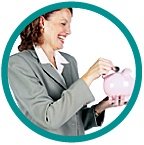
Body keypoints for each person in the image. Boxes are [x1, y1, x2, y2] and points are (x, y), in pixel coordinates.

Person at [8, 8, 126, 136]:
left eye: (69, 25)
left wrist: (102, 106)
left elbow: (74, 121)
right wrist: (89, 76)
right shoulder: (18, 64)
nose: (69, 31)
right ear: (42, 22)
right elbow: (49, 119)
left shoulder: (69, 62)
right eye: (63, 24)